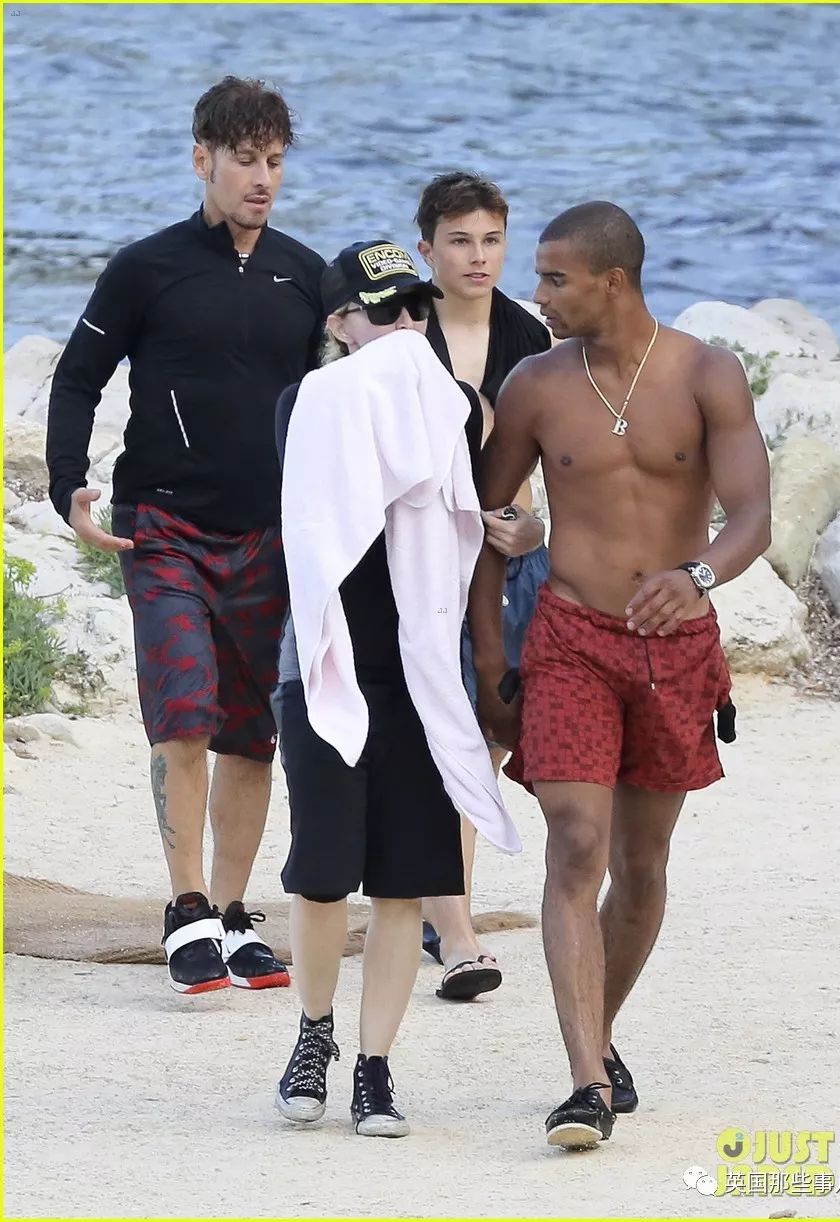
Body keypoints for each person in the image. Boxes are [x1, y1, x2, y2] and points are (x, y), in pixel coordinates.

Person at [468, 201, 771, 1149]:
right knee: (574, 842)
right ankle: (585, 1084)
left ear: (613, 281)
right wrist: (488, 656)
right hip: (569, 639)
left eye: (554, 278)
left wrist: (697, 577)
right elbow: (479, 526)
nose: (537, 293)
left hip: (674, 649)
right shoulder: (533, 385)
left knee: (640, 866)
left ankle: (598, 1036)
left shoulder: (705, 373)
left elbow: (751, 515)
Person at [45, 76, 326, 995]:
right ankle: (187, 906)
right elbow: (77, 378)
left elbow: (344, 400)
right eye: (244, 160)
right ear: (202, 158)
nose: (262, 178)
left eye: (274, 160)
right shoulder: (145, 268)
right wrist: (67, 485)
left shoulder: (305, 275)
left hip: (269, 535)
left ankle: (236, 915)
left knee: (252, 733)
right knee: (184, 712)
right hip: (161, 525)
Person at [272, 241, 519, 1138]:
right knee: (322, 874)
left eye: (417, 308)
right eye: (383, 311)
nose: (406, 325)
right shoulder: (307, 402)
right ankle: (313, 1033)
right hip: (325, 664)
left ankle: (374, 1066)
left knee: (406, 881)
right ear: (339, 324)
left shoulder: (447, 405)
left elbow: (477, 498)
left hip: (419, 673)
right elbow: (336, 488)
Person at [414, 171, 552, 1001]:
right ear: (425, 246)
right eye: (460, 240)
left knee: (490, 738)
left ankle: (441, 909)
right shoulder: (401, 327)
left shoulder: (530, 335)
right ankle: (458, 934)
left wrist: (533, 532)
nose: (478, 256)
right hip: (422, 561)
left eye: (492, 240)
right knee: (447, 740)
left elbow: (549, 457)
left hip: (509, 561)